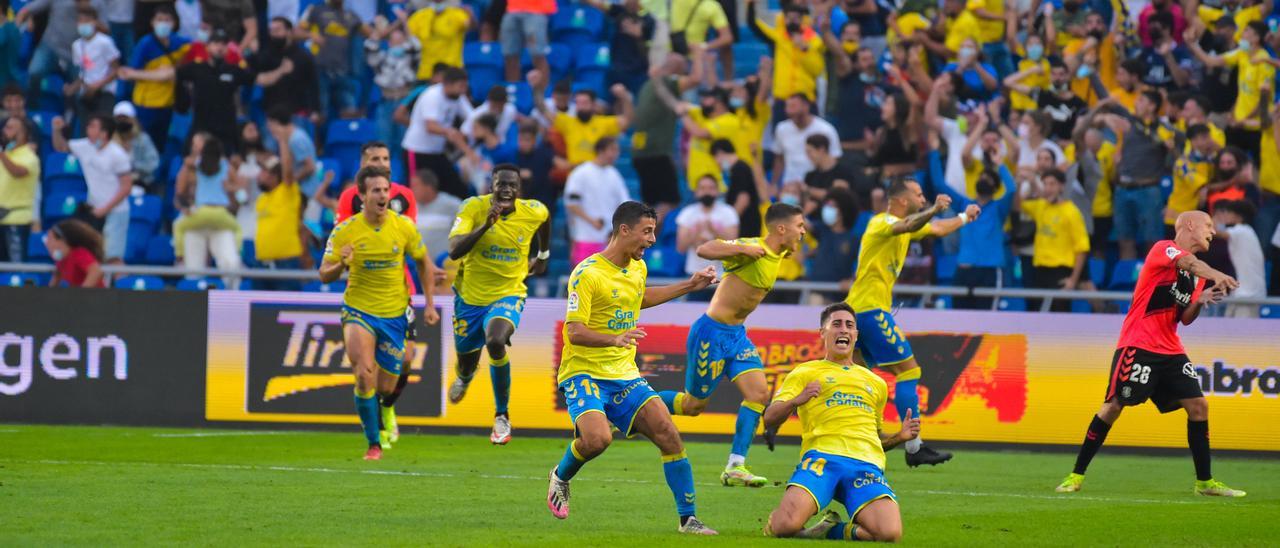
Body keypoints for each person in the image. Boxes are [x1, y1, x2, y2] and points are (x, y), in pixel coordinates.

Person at [545, 200, 719, 534]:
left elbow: (637, 297)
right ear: (624, 230)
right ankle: (561, 475)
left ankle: (689, 519)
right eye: (647, 231)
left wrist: (689, 285)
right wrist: (613, 339)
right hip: (584, 372)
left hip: (623, 372)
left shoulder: (637, 268)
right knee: (596, 440)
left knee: (669, 434)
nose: (652, 240)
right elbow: (574, 332)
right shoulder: (586, 274)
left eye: (653, 231)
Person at [1056, 211, 1246, 498]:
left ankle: (1204, 483)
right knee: (1113, 406)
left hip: (1171, 349)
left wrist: (1200, 301)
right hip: (1138, 344)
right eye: (1208, 225)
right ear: (1190, 225)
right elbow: (1189, 262)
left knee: (1199, 407)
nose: (1212, 232)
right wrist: (1217, 274)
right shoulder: (1164, 249)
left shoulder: (1196, 278)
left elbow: (1184, 319)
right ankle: (1075, 475)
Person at [657, 203, 806, 486]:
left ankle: (735, 466)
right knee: (692, 406)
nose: (803, 231)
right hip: (710, 334)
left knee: (759, 394)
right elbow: (704, 249)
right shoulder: (752, 248)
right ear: (781, 228)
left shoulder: (778, 255)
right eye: (799, 226)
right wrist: (742, 250)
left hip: (736, 336)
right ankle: (632, 406)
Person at [844, 179, 979, 467]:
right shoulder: (881, 221)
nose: (923, 197)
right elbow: (908, 226)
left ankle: (858, 440)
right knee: (909, 371)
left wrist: (965, 217)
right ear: (903, 200)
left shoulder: (907, 225)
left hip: (858, 311)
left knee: (858, 379)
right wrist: (933, 209)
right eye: (918, 194)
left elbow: (938, 229)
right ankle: (914, 447)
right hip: (870, 311)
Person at [762, 301, 919, 541]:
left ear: (856, 335)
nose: (843, 330)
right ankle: (792, 521)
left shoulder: (875, 383)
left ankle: (830, 530)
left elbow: (876, 438)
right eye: (836, 324)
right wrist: (798, 400)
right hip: (821, 459)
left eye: (849, 325)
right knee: (784, 526)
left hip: (865, 465)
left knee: (889, 534)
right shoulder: (805, 372)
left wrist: (900, 436)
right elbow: (770, 418)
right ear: (823, 333)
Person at [319, 166, 439, 461]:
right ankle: (373, 443)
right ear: (362, 196)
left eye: (386, 190)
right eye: (376, 190)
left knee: (385, 385)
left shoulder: (403, 227)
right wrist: (341, 265)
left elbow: (424, 263)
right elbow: (324, 274)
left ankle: (385, 408)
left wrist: (430, 304)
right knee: (363, 374)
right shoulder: (346, 231)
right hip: (358, 311)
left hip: (395, 313)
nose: (383, 195)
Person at [445, 165, 551, 444]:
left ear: (519, 190)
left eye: (512, 185)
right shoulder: (472, 208)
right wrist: (485, 226)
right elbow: (455, 251)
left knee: (495, 341)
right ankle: (465, 376)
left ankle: (501, 416)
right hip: (470, 299)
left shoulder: (533, 211)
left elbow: (545, 220)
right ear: (490, 186)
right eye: (500, 184)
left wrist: (542, 255)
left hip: (509, 293)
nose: (506, 189)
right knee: (466, 362)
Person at [52, 114, 132, 263]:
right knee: (93, 256)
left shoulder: (117, 154)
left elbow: (126, 187)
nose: (87, 128)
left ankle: (122, 284)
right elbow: (60, 147)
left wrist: (105, 209)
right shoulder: (84, 146)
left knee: (113, 258)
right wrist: (56, 130)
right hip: (94, 211)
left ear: (104, 133)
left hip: (116, 211)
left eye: (92, 126)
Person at [173, 133, 243, 288]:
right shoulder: (189, 167)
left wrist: (231, 190)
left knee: (230, 264)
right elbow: (178, 195)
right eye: (193, 144)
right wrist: (186, 207)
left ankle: (179, 257)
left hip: (216, 219)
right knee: (193, 270)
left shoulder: (226, 167)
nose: (195, 147)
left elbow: (242, 196)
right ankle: (194, 302)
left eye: (199, 144)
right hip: (203, 218)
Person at [1016, 168, 1090, 312]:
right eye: (1045, 184)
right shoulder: (1041, 206)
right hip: (1039, 271)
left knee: (1059, 317)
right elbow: (1018, 206)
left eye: (1052, 184)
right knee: (1035, 315)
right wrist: (1022, 184)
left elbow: (1082, 249)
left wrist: (1073, 280)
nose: (1048, 189)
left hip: (1060, 272)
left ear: (1061, 186)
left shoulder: (1071, 212)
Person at [118, 6, 190, 150]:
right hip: (146, 104)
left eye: (167, 20)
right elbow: (129, 73)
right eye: (159, 20)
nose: (163, 24)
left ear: (174, 23)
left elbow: (196, 50)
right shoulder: (145, 44)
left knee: (161, 144)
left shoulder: (180, 43)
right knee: (144, 144)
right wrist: (159, 75)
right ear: (152, 22)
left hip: (167, 105)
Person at [532, 71, 634, 167]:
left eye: (585, 103)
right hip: (575, 172)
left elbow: (627, 120)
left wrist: (624, 96)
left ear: (594, 105)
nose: (580, 107)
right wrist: (536, 87)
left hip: (597, 171)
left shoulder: (603, 122)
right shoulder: (568, 122)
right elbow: (543, 109)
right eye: (578, 103)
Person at [176, 29, 255, 152]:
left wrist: (280, 71)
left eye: (224, 44)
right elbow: (176, 74)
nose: (220, 47)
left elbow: (256, 79)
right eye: (216, 43)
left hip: (226, 127)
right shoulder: (196, 68)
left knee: (232, 161)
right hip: (201, 126)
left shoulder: (233, 70)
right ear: (208, 46)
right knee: (189, 158)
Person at [402, 66, 474, 199]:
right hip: (417, 151)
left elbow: (472, 118)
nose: (463, 90)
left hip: (437, 152)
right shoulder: (432, 96)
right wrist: (450, 132)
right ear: (448, 84)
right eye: (461, 86)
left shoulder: (458, 97)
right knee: (417, 191)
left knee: (457, 189)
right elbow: (431, 126)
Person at [563, 137, 630, 266]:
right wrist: (592, 221)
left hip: (609, 240)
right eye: (612, 150)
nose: (616, 154)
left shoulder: (614, 174)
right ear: (601, 151)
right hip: (585, 237)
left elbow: (624, 203)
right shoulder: (581, 173)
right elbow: (571, 203)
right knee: (583, 281)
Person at [254, 129, 305, 290]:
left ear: (274, 176)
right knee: (260, 313)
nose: (259, 175)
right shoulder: (262, 199)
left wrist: (283, 142)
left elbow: (288, 171)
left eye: (264, 172)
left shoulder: (287, 191)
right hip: (262, 264)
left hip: (286, 262)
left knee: (286, 310)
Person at [301, 0, 367, 122]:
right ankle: (319, 140)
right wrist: (311, 35)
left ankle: (347, 139)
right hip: (320, 68)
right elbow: (297, 32)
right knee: (321, 113)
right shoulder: (316, 10)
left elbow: (371, 33)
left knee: (349, 112)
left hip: (343, 70)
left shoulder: (351, 15)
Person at [365, 26, 421, 164]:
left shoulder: (411, 59)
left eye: (400, 42)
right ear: (389, 43)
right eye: (394, 41)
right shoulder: (382, 58)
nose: (397, 45)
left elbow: (416, 46)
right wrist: (383, 31)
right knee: (383, 146)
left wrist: (404, 23)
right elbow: (370, 48)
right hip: (386, 103)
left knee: (404, 145)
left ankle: (402, 180)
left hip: (404, 104)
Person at [251, 17, 319, 119]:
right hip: (272, 113)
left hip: (298, 113)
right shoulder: (265, 55)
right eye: (271, 31)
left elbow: (313, 85)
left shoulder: (303, 57)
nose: (273, 34)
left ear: (289, 32)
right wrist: (281, 70)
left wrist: (315, 110)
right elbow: (256, 77)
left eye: (277, 30)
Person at [675, 176, 740, 276]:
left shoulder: (728, 212)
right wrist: (696, 234)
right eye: (702, 188)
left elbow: (733, 245)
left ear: (718, 191)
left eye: (711, 188)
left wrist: (714, 231)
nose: (707, 192)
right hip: (694, 274)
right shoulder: (687, 213)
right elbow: (680, 248)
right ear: (696, 192)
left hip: (721, 274)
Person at [771, 94, 842, 187]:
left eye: (793, 106)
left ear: (806, 106)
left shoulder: (826, 130)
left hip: (816, 184)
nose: (789, 111)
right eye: (787, 106)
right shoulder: (781, 129)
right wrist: (774, 184)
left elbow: (834, 159)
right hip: (789, 186)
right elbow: (779, 158)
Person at [70, 6, 122, 129]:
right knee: (87, 128)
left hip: (105, 92)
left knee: (104, 128)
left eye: (87, 21)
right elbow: (83, 71)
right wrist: (74, 87)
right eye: (80, 21)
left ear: (95, 22)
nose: (83, 24)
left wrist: (98, 84)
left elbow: (116, 70)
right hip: (87, 93)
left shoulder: (105, 42)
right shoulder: (76, 46)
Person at [1213, 200, 1266, 318]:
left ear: (1238, 216)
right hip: (1241, 293)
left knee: (1245, 334)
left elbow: (1215, 232)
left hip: (1249, 294)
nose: (1226, 215)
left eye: (1228, 212)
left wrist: (1215, 218)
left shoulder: (1242, 231)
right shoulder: (1246, 231)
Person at [0, 115, 38, 262]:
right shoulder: (6, 154)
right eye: (5, 127)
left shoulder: (29, 156)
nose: (4, 131)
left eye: (10, 128)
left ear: (23, 134)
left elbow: (17, 172)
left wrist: (1, 153)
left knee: (16, 267)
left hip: (16, 220)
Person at [714, 139, 767, 238]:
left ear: (720, 153)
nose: (717, 163)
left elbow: (743, 199)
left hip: (746, 223)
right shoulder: (733, 171)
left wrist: (729, 222)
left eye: (716, 158)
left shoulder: (739, 169)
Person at [406, 0, 471, 80]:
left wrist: (470, 15)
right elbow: (408, 36)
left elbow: (470, 26)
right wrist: (402, 20)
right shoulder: (420, 15)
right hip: (426, 73)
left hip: (452, 73)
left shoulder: (457, 14)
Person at [411, 168, 461, 262]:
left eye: (415, 186)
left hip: (445, 267)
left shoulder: (453, 205)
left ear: (428, 187)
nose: (411, 190)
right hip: (418, 267)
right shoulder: (410, 207)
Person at [500, 0, 554, 81]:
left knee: (538, 54)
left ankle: (543, 92)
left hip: (537, 10)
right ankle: (513, 90)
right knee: (510, 55)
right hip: (512, 9)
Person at [45, 219, 105, 288]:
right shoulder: (61, 261)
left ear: (62, 240)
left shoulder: (79, 253)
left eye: (50, 238)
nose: (47, 242)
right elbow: (54, 283)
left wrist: (80, 295)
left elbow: (96, 272)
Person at [111, 102, 159, 188]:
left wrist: (133, 164)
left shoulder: (143, 139)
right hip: (114, 181)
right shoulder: (110, 141)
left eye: (125, 118)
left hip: (139, 182)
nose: (122, 122)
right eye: (119, 119)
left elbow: (153, 164)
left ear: (133, 120)